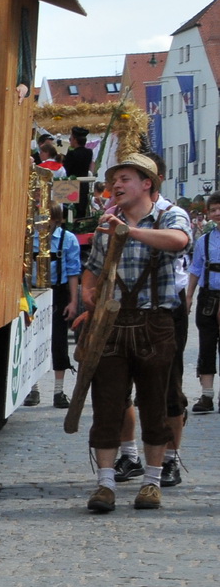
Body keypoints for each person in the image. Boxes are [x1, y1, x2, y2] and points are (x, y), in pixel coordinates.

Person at [73, 153, 192, 513]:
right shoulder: (109, 222)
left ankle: (152, 482)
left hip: (156, 322)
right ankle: (106, 484)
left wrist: (130, 232)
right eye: (115, 180)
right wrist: (88, 293)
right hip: (112, 324)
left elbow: (179, 241)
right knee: (107, 403)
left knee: (155, 403)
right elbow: (92, 268)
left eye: (125, 178)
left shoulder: (170, 214)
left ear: (147, 184)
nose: (117, 186)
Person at [44, 206, 84, 409]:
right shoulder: (29, 237)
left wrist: (73, 301)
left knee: (59, 341)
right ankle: (31, 389)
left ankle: (58, 391)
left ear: (57, 221)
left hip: (58, 292)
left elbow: (73, 271)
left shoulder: (67, 239)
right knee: (31, 341)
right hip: (35, 292)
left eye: (48, 219)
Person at [187, 193, 220, 415]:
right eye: (213, 209)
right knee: (207, 345)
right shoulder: (203, 241)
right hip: (208, 297)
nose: (217, 213)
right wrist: (188, 296)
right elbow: (196, 269)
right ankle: (206, 396)